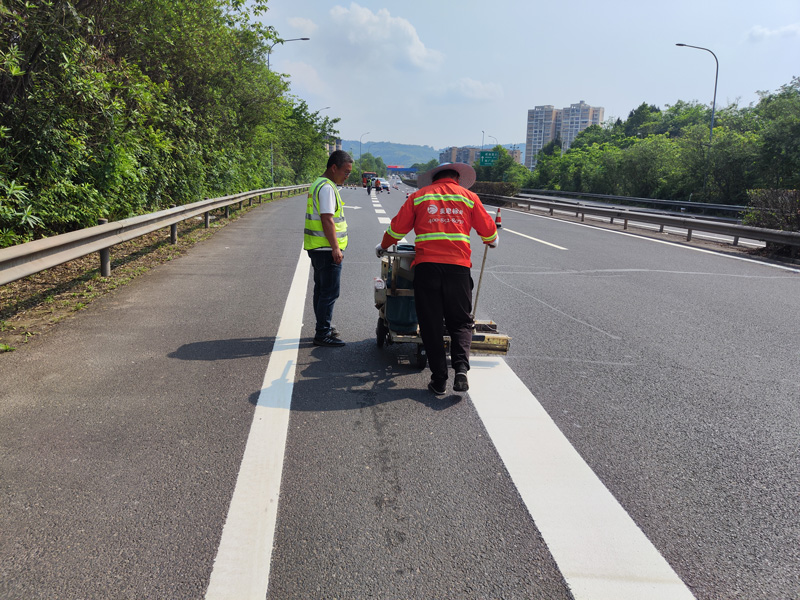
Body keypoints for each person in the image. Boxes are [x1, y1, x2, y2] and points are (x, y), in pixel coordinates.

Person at [376, 162, 498, 394]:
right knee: (460, 322)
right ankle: (461, 368)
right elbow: (490, 233)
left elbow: (397, 229)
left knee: (431, 325)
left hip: (427, 268)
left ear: (434, 179)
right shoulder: (469, 197)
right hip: (459, 268)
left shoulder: (420, 196)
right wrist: (492, 240)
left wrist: (383, 246)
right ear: (457, 178)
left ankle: (439, 380)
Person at [304, 150, 353, 347]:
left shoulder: (319, 183)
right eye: (346, 171)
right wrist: (335, 248)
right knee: (330, 292)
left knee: (321, 290)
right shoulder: (326, 188)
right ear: (334, 168)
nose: (347, 175)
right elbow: (327, 219)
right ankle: (322, 332)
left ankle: (323, 326)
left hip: (317, 247)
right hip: (326, 248)